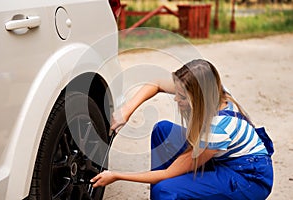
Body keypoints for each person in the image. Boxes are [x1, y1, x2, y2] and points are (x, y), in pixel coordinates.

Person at [91, 59, 274, 199]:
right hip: (222, 157)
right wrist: (126, 110)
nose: (176, 99)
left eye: (182, 97)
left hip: (248, 178)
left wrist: (116, 175)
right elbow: (156, 83)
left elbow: (168, 173)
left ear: (199, 98)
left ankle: (167, 194)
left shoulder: (217, 129)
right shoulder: (214, 90)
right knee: (163, 130)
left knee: (166, 188)